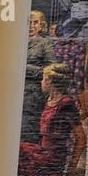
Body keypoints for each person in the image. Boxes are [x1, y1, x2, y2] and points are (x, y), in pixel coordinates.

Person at [15, 63, 80, 176]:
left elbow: (81, 136)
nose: (41, 82)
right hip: (42, 151)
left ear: (51, 82)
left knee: (19, 150)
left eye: (44, 79)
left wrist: (71, 166)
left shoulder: (66, 104)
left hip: (53, 157)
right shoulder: (50, 100)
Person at [22, 11, 57, 142]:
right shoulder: (14, 41)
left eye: (35, 23)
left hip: (33, 95)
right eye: (28, 22)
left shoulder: (45, 43)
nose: (31, 26)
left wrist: (26, 68)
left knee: (28, 130)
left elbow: (51, 68)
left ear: (41, 25)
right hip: (12, 93)